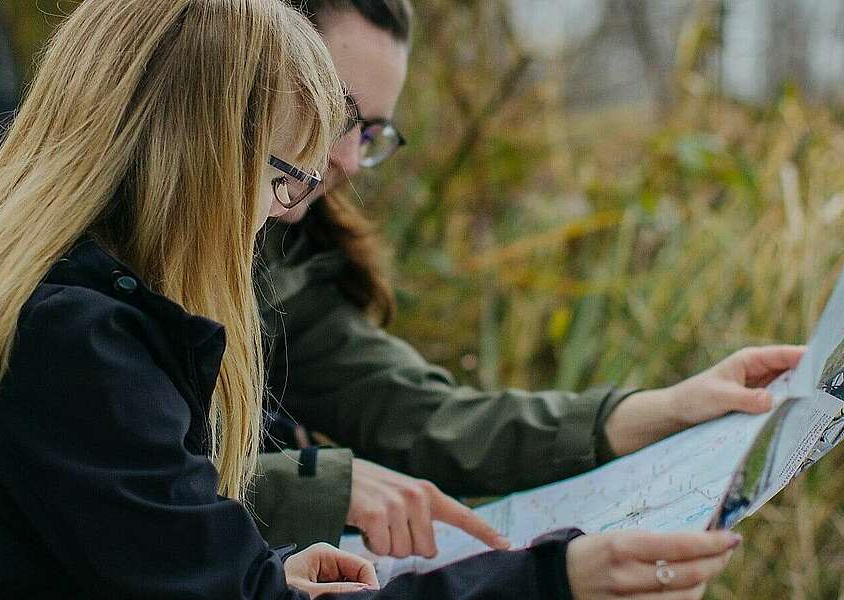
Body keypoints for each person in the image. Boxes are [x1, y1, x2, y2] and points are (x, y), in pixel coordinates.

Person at [0, 0, 742, 597]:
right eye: (284, 171)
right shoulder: (71, 337)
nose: (288, 206)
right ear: (202, 147)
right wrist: (552, 582)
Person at [247, 0, 806, 560]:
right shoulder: (168, 240)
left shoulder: (286, 255)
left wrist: (663, 409)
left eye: (370, 132)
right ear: (245, 66)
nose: (347, 158)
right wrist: (315, 486)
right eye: (335, 110)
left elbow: (420, 416)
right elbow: (165, 484)